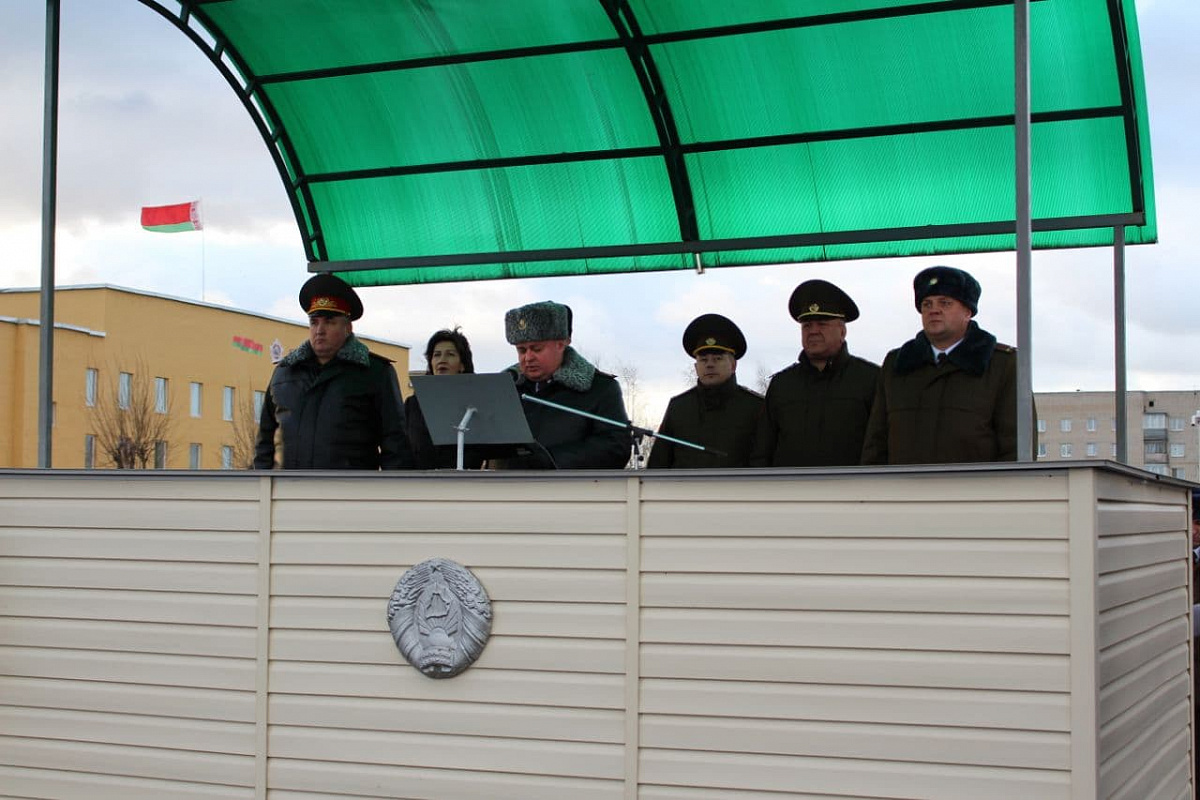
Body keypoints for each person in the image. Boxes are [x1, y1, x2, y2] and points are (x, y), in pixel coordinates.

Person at [861, 265, 1030, 464]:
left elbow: (1018, 447)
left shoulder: (1002, 365)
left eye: (945, 303)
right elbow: (876, 443)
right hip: (904, 484)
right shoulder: (897, 365)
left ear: (968, 312)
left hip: (975, 484)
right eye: (927, 304)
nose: (934, 310)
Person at [254, 273, 414, 470]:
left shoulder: (375, 373)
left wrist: (392, 488)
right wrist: (261, 483)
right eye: (314, 322)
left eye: (329, 322)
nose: (319, 330)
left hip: (349, 488)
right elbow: (264, 442)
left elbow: (396, 446)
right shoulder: (284, 373)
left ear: (348, 327)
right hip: (287, 487)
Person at [749, 280, 879, 467]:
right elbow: (762, 452)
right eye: (807, 326)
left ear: (842, 331)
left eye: (822, 324)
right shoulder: (782, 385)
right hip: (792, 486)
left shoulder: (871, 379)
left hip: (852, 485)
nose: (813, 331)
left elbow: (881, 446)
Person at [497, 300, 629, 469]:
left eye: (537, 349)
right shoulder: (506, 388)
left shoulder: (599, 389)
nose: (528, 358)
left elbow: (615, 447)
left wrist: (549, 459)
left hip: (570, 484)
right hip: (505, 485)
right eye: (521, 350)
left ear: (561, 344)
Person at [647, 314, 763, 468]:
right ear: (696, 368)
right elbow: (658, 464)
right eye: (703, 360)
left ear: (733, 365)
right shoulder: (679, 407)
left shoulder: (755, 407)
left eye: (717, 358)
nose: (709, 365)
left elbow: (765, 460)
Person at [404, 328, 486, 469]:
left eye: (450, 354)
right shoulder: (414, 404)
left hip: (466, 479)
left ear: (462, 365)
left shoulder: (476, 403)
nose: (442, 360)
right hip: (421, 479)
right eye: (436, 355)